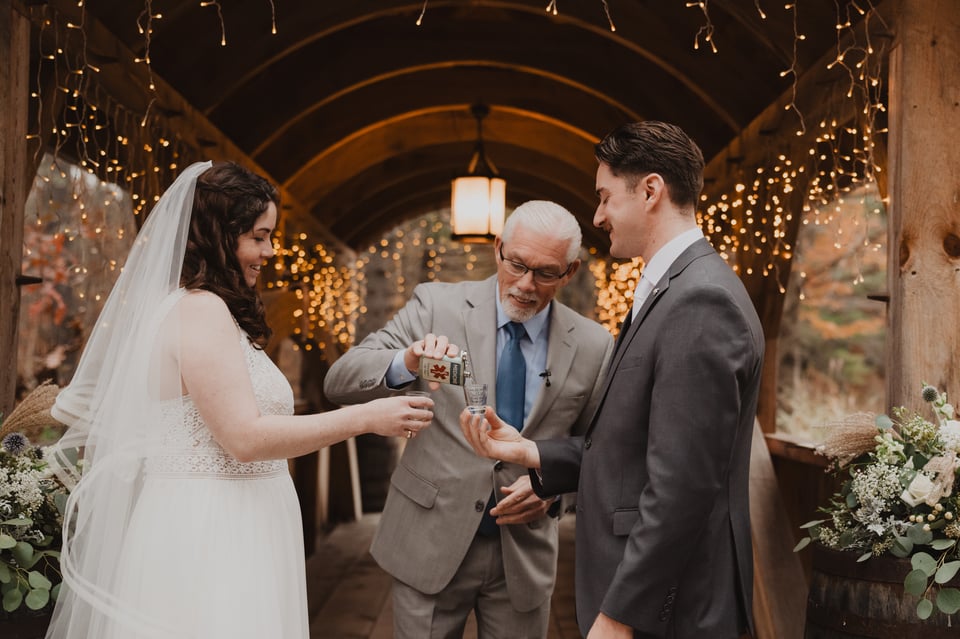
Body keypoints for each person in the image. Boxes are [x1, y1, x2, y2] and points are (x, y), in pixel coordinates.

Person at [45, 161, 434, 639]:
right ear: (218, 234)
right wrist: (365, 416)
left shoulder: (213, 310)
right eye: (259, 236)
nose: (270, 251)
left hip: (238, 519)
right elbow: (244, 438)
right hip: (211, 527)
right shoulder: (199, 310)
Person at [460, 121, 764, 639]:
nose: (598, 215)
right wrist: (532, 452)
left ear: (650, 191)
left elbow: (681, 485)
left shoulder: (700, 301)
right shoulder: (675, 286)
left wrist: (622, 614)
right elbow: (638, 444)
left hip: (671, 609)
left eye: (604, 197)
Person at [323, 200, 614, 639]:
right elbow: (339, 379)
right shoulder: (434, 305)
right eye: (516, 264)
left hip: (524, 555)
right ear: (498, 248)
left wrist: (554, 494)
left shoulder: (594, 345)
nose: (526, 285)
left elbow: (601, 452)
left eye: (546, 272)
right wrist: (408, 362)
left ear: (569, 272)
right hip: (428, 541)